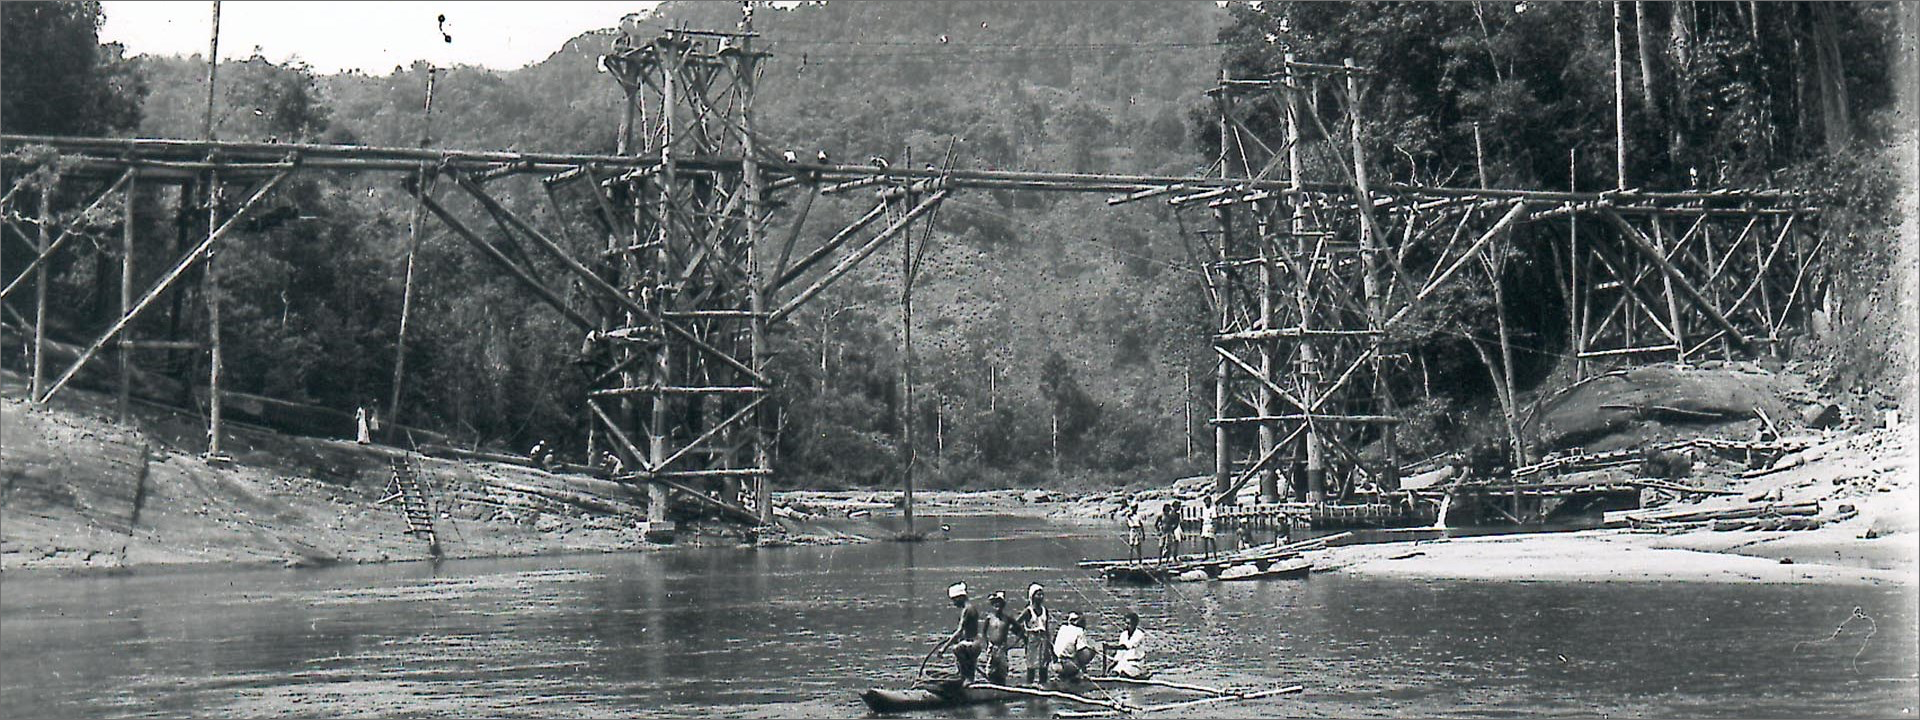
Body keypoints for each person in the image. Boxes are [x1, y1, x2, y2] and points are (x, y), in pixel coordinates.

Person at [1016, 583, 1053, 685]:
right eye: (1038, 595)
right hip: (1032, 638)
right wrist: (1023, 636)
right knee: (1031, 665)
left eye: (1042, 595)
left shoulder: (1045, 610)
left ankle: (1043, 685)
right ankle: (1029, 685)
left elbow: (1047, 628)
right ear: (1032, 596)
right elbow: (1014, 624)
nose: (1040, 597)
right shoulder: (1028, 611)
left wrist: (1050, 647)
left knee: (1044, 665)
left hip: (1044, 639)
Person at [981, 591, 1020, 685]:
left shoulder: (1007, 618)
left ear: (1003, 605)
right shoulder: (989, 618)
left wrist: (1012, 645)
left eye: (999, 603)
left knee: (1002, 670)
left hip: (1002, 647)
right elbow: (984, 632)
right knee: (990, 670)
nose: (997, 605)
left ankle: (1002, 686)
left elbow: (1020, 631)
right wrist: (987, 644)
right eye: (995, 603)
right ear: (993, 604)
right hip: (992, 646)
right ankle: (991, 685)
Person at [946, 582, 982, 683]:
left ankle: (967, 680)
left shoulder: (967, 610)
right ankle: (966, 678)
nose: (953, 603)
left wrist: (944, 648)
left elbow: (959, 631)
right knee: (968, 669)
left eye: (954, 600)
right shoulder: (970, 608)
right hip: (974, 644)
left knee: (957, 649)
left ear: (960, 597)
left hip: (972, 645)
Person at [1050, 611, 1098, 682]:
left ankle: (1062, 676)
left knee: (1074, 652)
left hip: (1055, 664)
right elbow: (1081, 652)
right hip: (1068, 665)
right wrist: (1085, 672)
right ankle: (1074, 676)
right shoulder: (1079, 631)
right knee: (1089, 651)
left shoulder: (1062, 628)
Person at [1105, 611, 1149, 679]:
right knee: (1113, 673)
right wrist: (1113, 663)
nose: (1127, 626)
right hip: (1124, 662)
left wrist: (1111, 647)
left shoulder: (1139, 634)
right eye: (1126, 623)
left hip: (1135, 664)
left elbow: (1129, 645)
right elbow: (1120, 653)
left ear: (1135, 624)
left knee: (1124, 674)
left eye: (1129, 624)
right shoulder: (1123, 635)